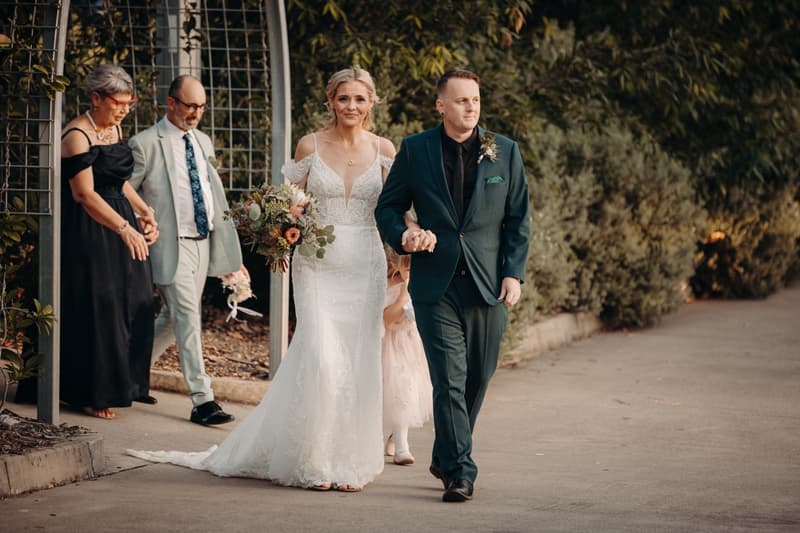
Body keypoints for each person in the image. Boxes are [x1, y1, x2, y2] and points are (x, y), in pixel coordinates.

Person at [128, 68, 395, 492]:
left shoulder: (384, 150)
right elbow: (285, 203)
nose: (351, 107)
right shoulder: (311, 144)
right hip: (316, 266)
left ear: (371, 103)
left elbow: (392, 211)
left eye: (360, 99)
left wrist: (405, 258)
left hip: (365, 265)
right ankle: (314, 461)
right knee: (322, 358)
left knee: (358, 362)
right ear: (331, 100)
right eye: (344, 98)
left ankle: (348, 462)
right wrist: (275, 229)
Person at [375, 69, 531, 502]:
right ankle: (461, 471)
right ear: (440, 105)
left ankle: (445, 454)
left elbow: (518, 220)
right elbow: (388, 207)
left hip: (488, 285)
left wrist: (512, 273)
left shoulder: (505, 152)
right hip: (434, 284)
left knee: (477, 378)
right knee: (449, 377)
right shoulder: (416, 150)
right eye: (461, 100)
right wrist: (402, 235)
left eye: (476, 100)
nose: (471, 107)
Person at [128, 75, 242, 425]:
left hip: (202, 241)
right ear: (171, 102)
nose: (195, 113)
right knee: (188, 317)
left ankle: (131, 377)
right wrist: (140, 225)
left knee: (171, 318)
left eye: (201, 107)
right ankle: (202, 400)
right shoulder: (145, 143)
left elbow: (209, 192)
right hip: (167, 244)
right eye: (190, 105)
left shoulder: (204, 141)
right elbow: (124, 193)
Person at [60, 64, 159, 420]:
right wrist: (124, 228)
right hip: (91, 227)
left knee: (136, 299)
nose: (124, 110)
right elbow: (84, 194)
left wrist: (144, 210)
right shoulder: (76, 136)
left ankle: (126, 384)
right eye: (118, 102)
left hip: (121, 219)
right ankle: (89, 391)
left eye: (128, 104)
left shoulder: (114, 127)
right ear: (96, 98)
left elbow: (118, 181)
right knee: (99, 307)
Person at [381, 245, 432, 466]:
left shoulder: (423, 282)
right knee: (385, 393)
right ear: (396, 262)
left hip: (409, 346)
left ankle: (401, 444)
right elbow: (387, 319)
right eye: (407, 265)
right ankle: (381, 437)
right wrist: (405, 293)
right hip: (387, 345)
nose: (410, 270)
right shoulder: (388, 285)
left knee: (405, 391)